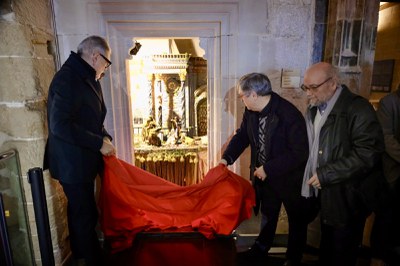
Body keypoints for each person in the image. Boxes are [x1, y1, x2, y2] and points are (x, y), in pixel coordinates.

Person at [220, 73, 313, 266]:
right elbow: (242, 136)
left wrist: (268, 168)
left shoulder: (288, 114)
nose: (241, 100)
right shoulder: (251, 112)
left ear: (253, 94)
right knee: (268, 216)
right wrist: (226, 159)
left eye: (242, 96)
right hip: (267, 179)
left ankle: (293, 258)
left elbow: (299, 152)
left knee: (297, 219)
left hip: (290, 178)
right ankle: (260, 251)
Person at [301, 62, 385, 266]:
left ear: (333, 83)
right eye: (305, 87)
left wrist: (326, 174)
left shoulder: (357, 108)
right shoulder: (314, 108)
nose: (308, 94)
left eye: (314, 87)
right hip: (327, 192)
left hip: (349, 195)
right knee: (328, 247)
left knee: (342, 251)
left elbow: (368, 152)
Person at [43, 35, 116, 265]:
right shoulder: (67, 78)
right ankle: (89, 259)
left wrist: (104, 135)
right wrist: (98, 143)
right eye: (107, 62)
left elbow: (90, 119)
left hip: (83, 160)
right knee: (83, 214)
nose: (106, 67)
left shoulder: (87, 77)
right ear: (95, 56)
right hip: (72, 163)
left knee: (85, 213)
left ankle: (86, 256)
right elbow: (60, 126)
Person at [371, 85, 400, 265]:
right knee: (387, 215)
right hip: (393, 171)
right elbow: (386, 138)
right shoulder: (389, 102)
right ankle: (378, 256)